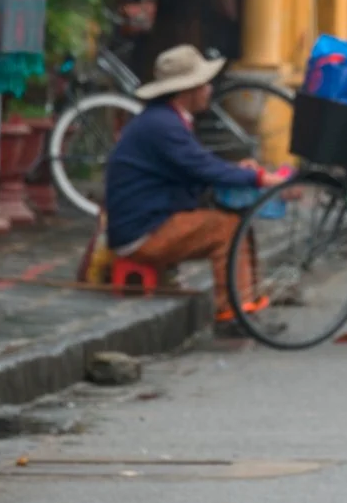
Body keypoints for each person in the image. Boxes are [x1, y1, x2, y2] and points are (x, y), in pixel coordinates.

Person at [104, 46, 286, 336]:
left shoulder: (165, 120)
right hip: (142, 232)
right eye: (203, 84)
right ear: (187, 90)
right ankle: (232, 313)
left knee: (237, 224)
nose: (208, 89)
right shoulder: (163, 125)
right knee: (227, 229)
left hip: (152, 219)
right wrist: (261, 178)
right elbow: (204, 168)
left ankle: (248, 304)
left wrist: (241, 171)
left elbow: (198, 167)